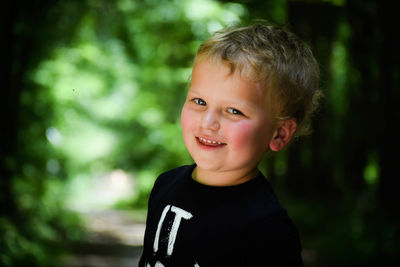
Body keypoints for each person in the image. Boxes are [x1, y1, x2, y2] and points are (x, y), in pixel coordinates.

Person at [139, 21, 320, 267]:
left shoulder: (267, 228)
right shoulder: (165, 186)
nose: (209, 121)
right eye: (199, 101)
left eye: (234, 110)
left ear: (279, 134)